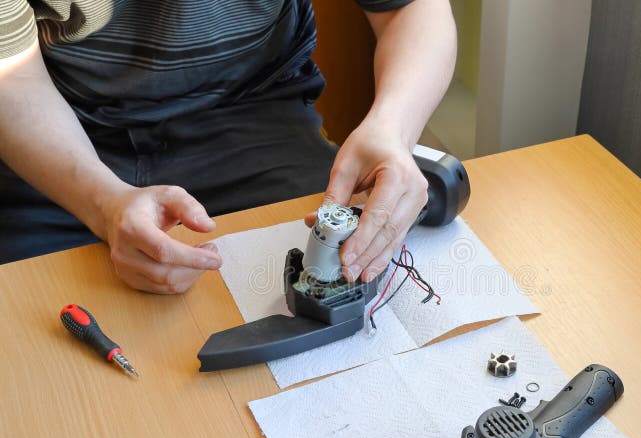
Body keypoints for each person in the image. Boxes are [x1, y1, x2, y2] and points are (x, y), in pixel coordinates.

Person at [0, 0, 456, 293]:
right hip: (52, 140)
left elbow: (408, 8)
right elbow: (9, 74)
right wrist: (103, 204)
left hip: (251, 115)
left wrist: (392, 129)